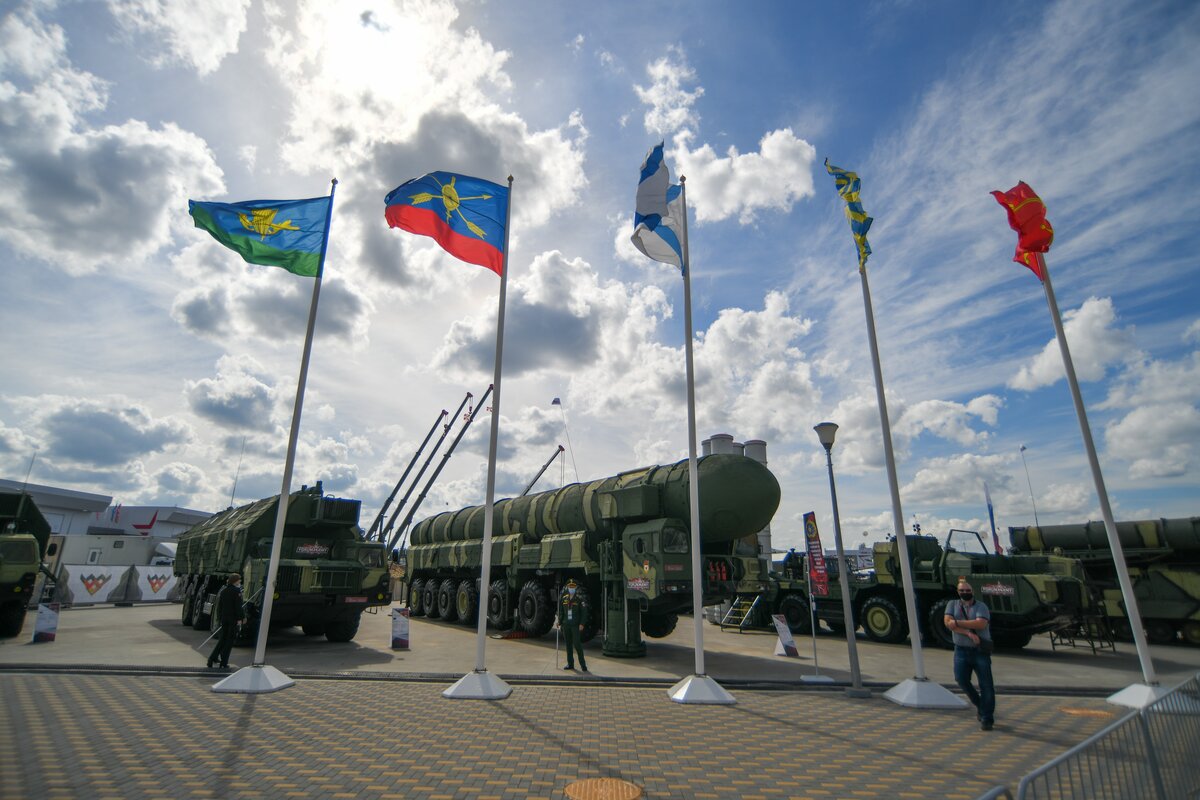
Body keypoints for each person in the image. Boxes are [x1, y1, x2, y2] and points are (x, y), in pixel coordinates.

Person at [944, 576, 995, 730]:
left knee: (986, 685)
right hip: (961, 650)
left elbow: (981, 623)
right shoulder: (952, 605)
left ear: (972, 591)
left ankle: (987, 718)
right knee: (961, 679)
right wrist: (967, 632)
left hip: (979, 651)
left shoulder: (981, 606)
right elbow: (948, 623)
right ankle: (980, 705)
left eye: (967, 590)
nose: (965, 592)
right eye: (961, 590)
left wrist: (958, 622)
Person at [207, 573, 245, 669]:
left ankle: (212, 658)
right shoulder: (237, 591)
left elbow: (220, 607)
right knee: (229, 642)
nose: (240, 581)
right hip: (233, 620)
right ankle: (224, 663)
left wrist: (220, 618)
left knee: (222, 640)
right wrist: (241, 618)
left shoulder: (223, 591)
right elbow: (238, 607)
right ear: (235, 581)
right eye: (239, 580)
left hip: (224, 619)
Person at [556, 578, 589, 672]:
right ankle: (570, 664)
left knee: (577, 644)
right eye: (570, 587)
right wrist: (559, 621)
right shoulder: (564, 599)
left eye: (573, 587)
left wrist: (582, 624)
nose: (571, 588)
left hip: (575, 625)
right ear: (567, 587)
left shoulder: (579, 599)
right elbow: (561, 612)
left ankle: (583, 665)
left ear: (575, 588)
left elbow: (584, 612)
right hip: (566, 625)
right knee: (568, 645)